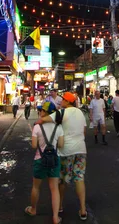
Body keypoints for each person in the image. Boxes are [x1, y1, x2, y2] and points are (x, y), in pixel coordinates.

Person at [38, 92, 88, 221]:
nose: (61, 102)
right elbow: (84, 131)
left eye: (63, 100)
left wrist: (38, 125)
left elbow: (44, 119)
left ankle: (59, 206)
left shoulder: (62, 113)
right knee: (79, 178)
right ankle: (83, 210)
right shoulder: (80, 113)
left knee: (62, 180)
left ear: (67, 101)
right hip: (81, 149)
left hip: (66, 151)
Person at [25, 101, 64, 224]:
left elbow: (34, 145)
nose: (39, 112)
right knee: (54, 188)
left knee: (36, 186)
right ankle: (55, 217)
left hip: (40, 160)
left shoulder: (37, 127)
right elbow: (61, 145)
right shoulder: (59, 127)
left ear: (45, 112)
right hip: (54, 160)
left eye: (41, 110)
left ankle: (33, 209)